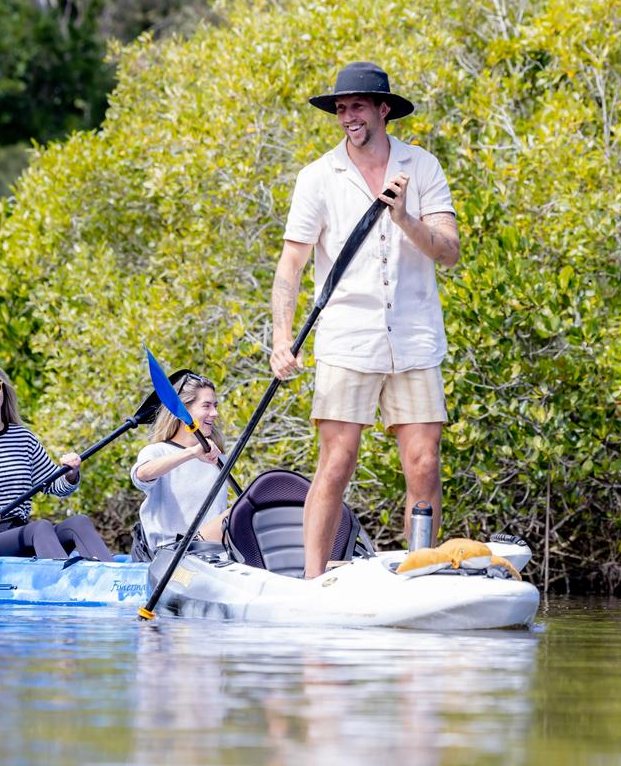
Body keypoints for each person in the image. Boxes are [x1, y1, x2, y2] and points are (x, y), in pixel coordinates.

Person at [270, 62, 461, 578]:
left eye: (356, 106)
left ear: (383, 109)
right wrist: (281, 337)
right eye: (340, 108)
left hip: (416, 337)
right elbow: (292, 263)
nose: (347, 116)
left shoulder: (422, 167)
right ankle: (312, 581)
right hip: (346, 338)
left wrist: (404, 219)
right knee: (338, 460)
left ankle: (419, 574)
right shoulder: (317, 176)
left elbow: (448, 251)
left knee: (424, 463)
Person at [0, 357, 113, 560]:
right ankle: (61, 586)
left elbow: (54, 485)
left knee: (79, 522)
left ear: (2, 389)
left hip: (20, 535)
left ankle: (116, 583)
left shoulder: (22, 438)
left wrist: (71, 473)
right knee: (40, 527)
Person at [131, 373, 231, 555]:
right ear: (184, 410)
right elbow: (142, 475)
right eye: (206, 406)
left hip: (213, 554)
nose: (215, 413)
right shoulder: (157, 452)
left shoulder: (218, 458)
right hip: (171, 553)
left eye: (215, 406)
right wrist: (192, 453)